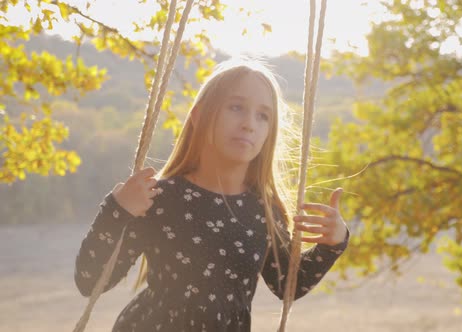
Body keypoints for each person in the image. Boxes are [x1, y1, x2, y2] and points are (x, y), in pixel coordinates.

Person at [74, 59, 350, 332]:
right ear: (199, 115)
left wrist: (333, 242)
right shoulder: (158, 198)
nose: (249, 124)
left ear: (269, 131)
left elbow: (289, 285)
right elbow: (90, 280)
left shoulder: (263, 210)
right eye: (236, 107)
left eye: (263, 115)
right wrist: (118, 210)